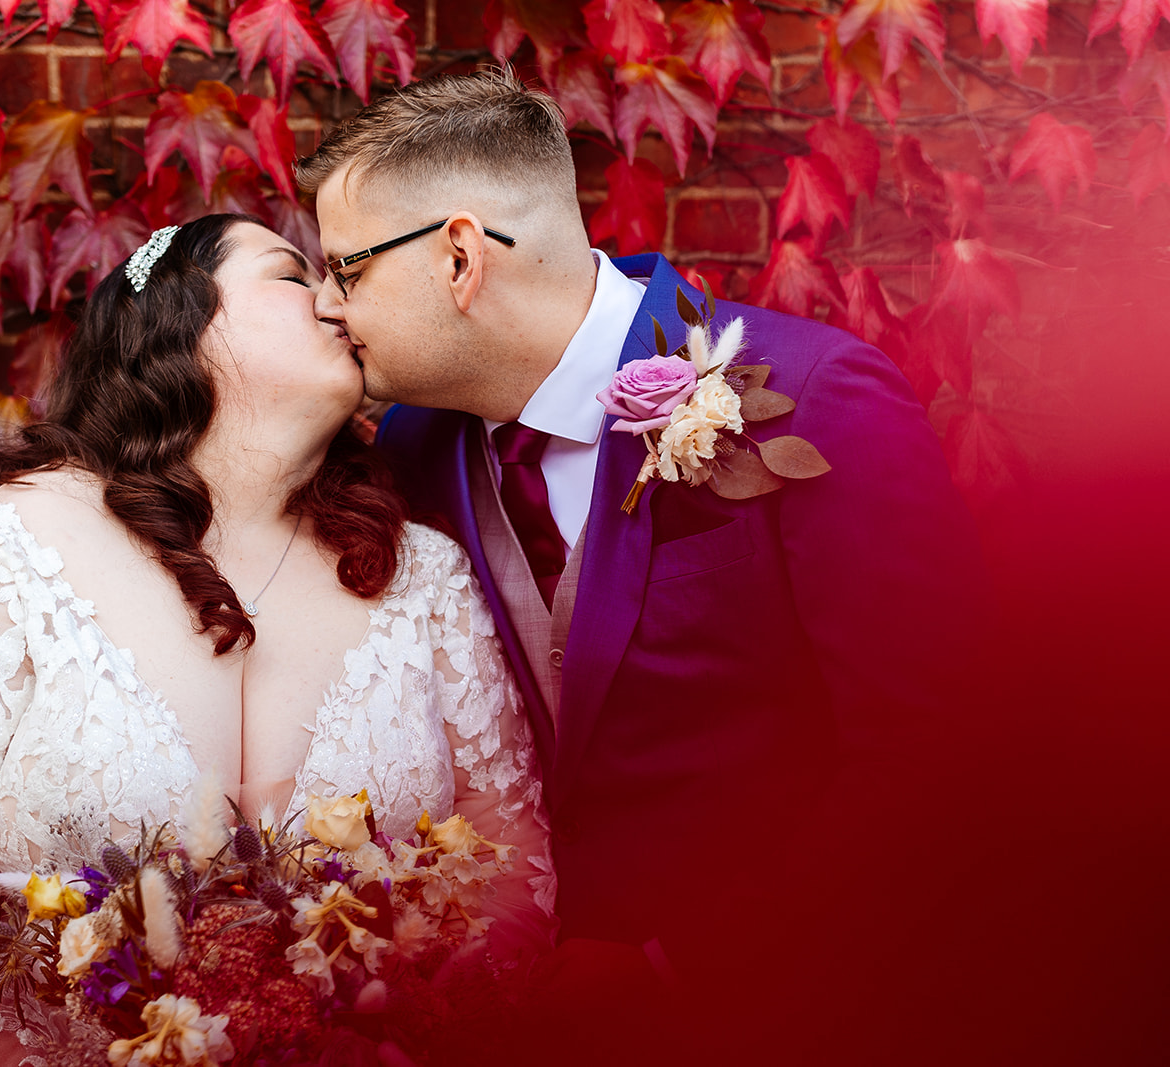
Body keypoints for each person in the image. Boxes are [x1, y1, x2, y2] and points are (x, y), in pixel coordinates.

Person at [299, 71, 991, 1062]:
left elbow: (934, 757)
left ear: (459, 256)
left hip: (789, 1016)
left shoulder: (814, 400)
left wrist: (678, 963)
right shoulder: (413, 445)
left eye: (344, 270)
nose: (328, 307)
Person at [0, 214, 554, 1067]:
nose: (338, 298)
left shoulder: (424, 574)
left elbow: (508, 852)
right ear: (179, 321)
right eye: (294, 275)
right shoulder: (19, 543)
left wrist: (418, 1031)